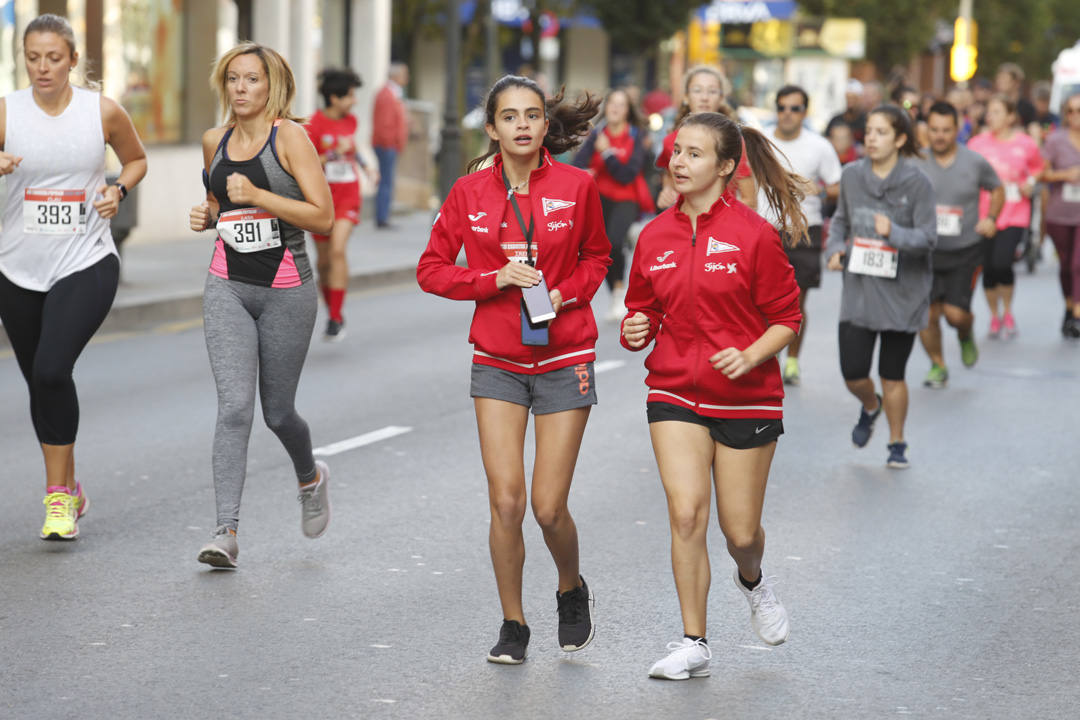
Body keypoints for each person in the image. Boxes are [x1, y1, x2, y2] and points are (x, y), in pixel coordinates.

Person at [417, 75, 610, 665]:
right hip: (497, 360)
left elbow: (598, 257)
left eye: (532, 115)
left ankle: (571, 589)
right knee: (506, 502)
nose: (522, 125)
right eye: (510, 116)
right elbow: (430, 270)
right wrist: (491, 280)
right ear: (492, 127)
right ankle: (513, 622)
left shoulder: (578, 186)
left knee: (548, 506)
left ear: (546, 125)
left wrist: (565, 297)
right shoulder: (469, 192)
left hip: (563, 355)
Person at [621, 111, 807, 680]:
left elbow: (786, 318)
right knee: (685, 513)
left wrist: (751, 355)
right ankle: (693, 642)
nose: (679, 162)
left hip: (747, 397)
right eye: (677, 151)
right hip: (675, 390)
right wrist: (636, 327)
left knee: (741, 531)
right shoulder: (654, 235)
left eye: (694, 154)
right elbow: (644, 307)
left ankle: (752, 579)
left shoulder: (753, 234)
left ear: (726, 167)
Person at [188, 42, 335, 568]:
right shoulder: (214, 140)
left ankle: (309, 476)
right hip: (227, 283)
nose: (241, 89)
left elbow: (323, 217)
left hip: (287, 289)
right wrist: (208, 213)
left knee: (277, 413)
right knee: (233, 408)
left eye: (252, 79)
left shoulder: (290, 138)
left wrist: (258, 195)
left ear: (271, 86)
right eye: (233, 79)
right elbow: (218, 198)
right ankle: (225, 530)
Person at [0, 14, 146, 541]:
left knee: (53, 370)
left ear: (73, 60)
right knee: (41, 384)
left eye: (53, 58)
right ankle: (71, 484)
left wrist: (117, 191)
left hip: (85, 259)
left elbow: (135, 160)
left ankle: (57, 499)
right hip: (16, 267)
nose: (43, 67)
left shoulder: (100, 111)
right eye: (33, 57)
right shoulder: (6, 112)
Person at [825, 105, 936, 469]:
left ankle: (896, 440)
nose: (870, 138)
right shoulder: (852, 175)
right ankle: (870, 406)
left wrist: (895, 233)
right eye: (868, 131)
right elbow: (840, 222)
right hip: (859, 289)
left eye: (881, 132)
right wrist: (836, 249)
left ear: (900, 139)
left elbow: (928, 238)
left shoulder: (917, 183)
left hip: (903, 293)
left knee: (893, 375)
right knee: (853, 373)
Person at [917, 101, 1004, 387]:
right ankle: (938, 365)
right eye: (934, 130)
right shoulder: (916, 161)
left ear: (957, 130)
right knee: (927, 314)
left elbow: (997, 189)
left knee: (954, 315)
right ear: (926, 130)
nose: (940, 136)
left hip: (965, 250)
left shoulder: (974, 161)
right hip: (924, 251)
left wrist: (991, 217)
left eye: (946, 130)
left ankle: (965, 332)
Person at [761, 85, 842, 386]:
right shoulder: (762, 141)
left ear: (804, 113)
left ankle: (792, 360)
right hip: (766, 227)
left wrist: (816, 188)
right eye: (782, 107)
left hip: (805, 228)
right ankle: (767, 358)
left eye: (794, 108)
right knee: (762, 303)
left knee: (795, 302)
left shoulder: (819, 146)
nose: (787, 114)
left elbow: (838, 185)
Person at [572, 87, 654, 320]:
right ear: (606, 108)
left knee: (614, 241)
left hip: (626, 198)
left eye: (621, 104)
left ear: (628, 111)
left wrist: (607, 153)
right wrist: (584, 172)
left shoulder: (636, 136)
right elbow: (578, 164)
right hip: (598, 199)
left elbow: (627, 174)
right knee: (602, 248)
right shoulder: (597, 134)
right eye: (612, 103)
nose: (616, 108)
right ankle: (617, 292)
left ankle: (621, 287)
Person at [967, 95, 1044, 338]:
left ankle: (1008, 311)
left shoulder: (1025, 143)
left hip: (1015, 213)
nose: (991, 117)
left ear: (1011, 116)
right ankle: (994, 316)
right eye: (989, 112)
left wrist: (1030, 182)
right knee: (988, 268)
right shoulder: (977, 144)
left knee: (1003, 263)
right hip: (984, 214)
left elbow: (1039, 167)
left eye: (998, 111)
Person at [306, 66, 373, 341]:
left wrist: (367, 167)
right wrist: (334, 152)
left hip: (347, 197)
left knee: (336, 251)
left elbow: (353, 150)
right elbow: (307, 165)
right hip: (320, 200)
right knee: (322, 262)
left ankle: (335, 318)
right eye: (350, 96)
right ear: (334, 98)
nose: (354, 101)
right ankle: (331, 311)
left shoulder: (351, 122)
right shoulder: (314, 126)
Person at [656, 66, 756, 212]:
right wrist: (667, 191)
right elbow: (668, 174)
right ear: (685, 96)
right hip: (683, 227)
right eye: (697, 90)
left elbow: (750, 200)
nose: (704, 97)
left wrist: (718, 221)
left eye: (712, 91)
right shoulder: (670, 140)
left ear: (721, 98)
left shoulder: (734, 142)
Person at [1039, 91, 1080, 338]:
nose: (1076, 116)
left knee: (1079, 263)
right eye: (1071, 111)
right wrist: (1065, 175)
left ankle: (1077, 312)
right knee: (1066, 265)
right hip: (1060, 213)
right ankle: (1068, 306)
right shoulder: (1055, 140)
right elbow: (1042, 174)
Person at [372, 62, 408, 229]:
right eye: (403, 74)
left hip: (389, 144)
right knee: (386, 180)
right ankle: (382, 217)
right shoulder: (387, 94)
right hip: (387, 145)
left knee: (387, 180)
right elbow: (385, 123)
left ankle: (383, 215)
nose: (406, 78)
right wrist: (390, 143)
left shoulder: (392, 93)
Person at [827, 78, 867, 146]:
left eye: (853, 98)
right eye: (848, 98)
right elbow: (827, 140)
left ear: (859, 99)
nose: (850, 101)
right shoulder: (835, 120)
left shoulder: (866, 120)